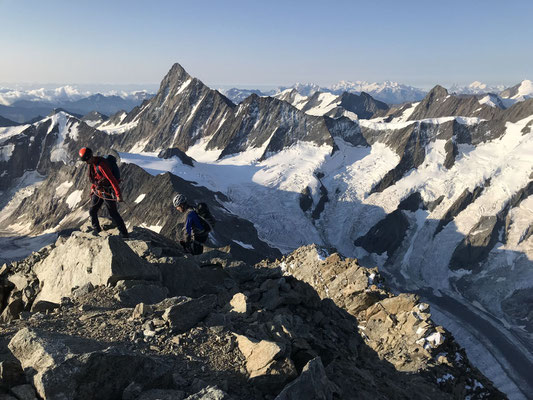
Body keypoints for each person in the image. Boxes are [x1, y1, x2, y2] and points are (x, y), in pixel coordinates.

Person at [79, 147, 129, 238]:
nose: (86, 162)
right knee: (92, 211)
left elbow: (112, 180)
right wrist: (93, 187)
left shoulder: (101, 166)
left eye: (87, 160)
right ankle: (97, 231)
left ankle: (124, 234)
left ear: (90, 156)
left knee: (113, 213)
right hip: (98, 190)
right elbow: (96, 179)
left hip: (107, 191)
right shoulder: (92, 165)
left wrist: (118, 195)